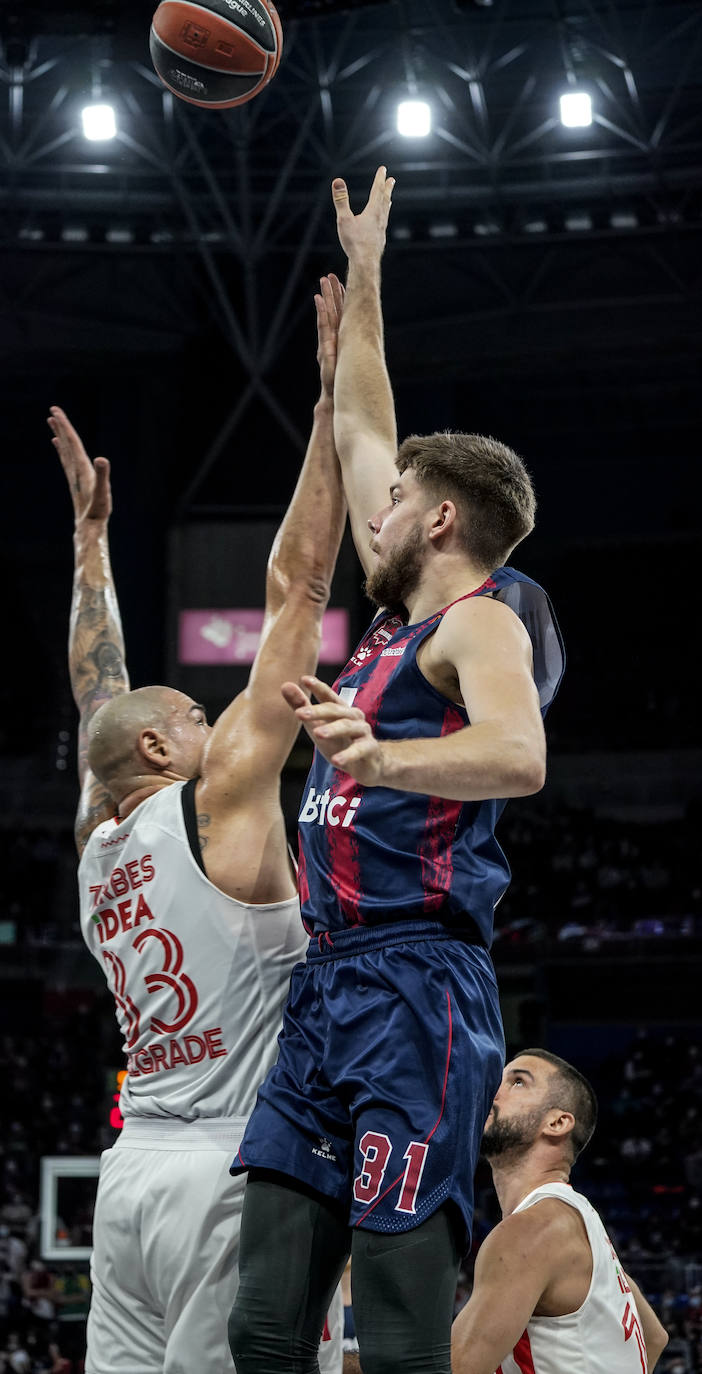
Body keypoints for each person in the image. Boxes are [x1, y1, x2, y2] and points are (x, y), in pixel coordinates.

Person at [229, 171, 565, 1374]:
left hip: (419, 986)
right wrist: (365, 273)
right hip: (329, 987)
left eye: (396, 504)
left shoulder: (481, 622)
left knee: (406, 1316)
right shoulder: (390, 622)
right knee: (263, 1321)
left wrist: (388, 754)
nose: (374, 511)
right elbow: (371, 423)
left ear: (440, 523)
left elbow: (520, 757)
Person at [50, 275, 347, 1374]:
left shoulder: (97, 844)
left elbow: (100, 701)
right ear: (169, 755)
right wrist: (327, 409)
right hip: (235, 1165)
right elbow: (301, 593)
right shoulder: (219, 802)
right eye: (192, 713)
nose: (207, 716)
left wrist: (92, 546)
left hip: (128, 1181)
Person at [451, 1049, 669, 1373]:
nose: (492, 1090)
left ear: (557, 1122)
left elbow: (452, 1369)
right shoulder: (578, 1222)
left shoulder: (532, 1231)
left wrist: (346, 1364)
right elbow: (654, 1338)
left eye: (518, 1082)